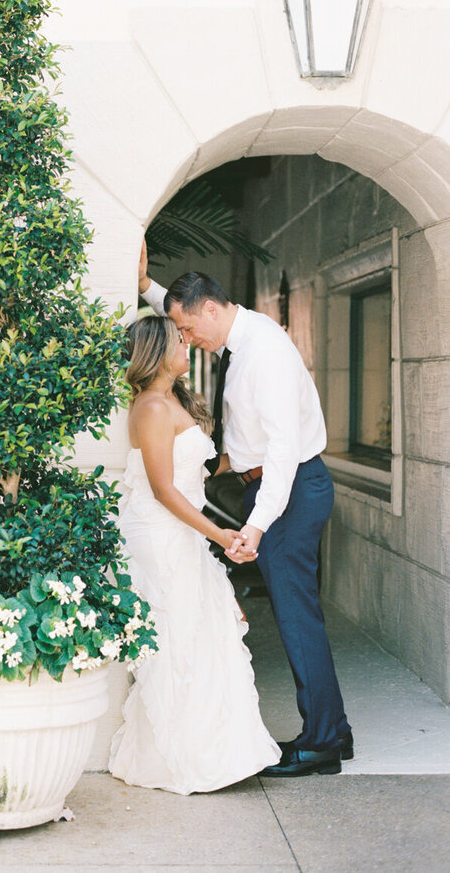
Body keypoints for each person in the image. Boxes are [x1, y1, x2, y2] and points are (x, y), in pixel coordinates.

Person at [138, 245, 352, 778]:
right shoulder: (235, 334)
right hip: (269, 485)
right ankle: (335, 729)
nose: (188, 341)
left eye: (190, 331)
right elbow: (178, 311)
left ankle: (322, 742)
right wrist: (146, 287)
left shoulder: (266, 354)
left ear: (212, 309)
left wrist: (256, 526)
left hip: (291, 489)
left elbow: (281, 454)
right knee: (296, 611)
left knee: (296, 614)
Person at [108, 316, 280, 794]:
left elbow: (195, 471)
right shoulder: (151, 407)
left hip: (181, 530)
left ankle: (212, 752)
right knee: (180, 636)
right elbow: (164, 490)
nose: (188, 346)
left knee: (202, 631)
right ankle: (179, 760)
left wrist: (253, 457)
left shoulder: (171, 401)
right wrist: (223, 536)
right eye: (180, 341)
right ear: (160, 352)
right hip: (161, 533)